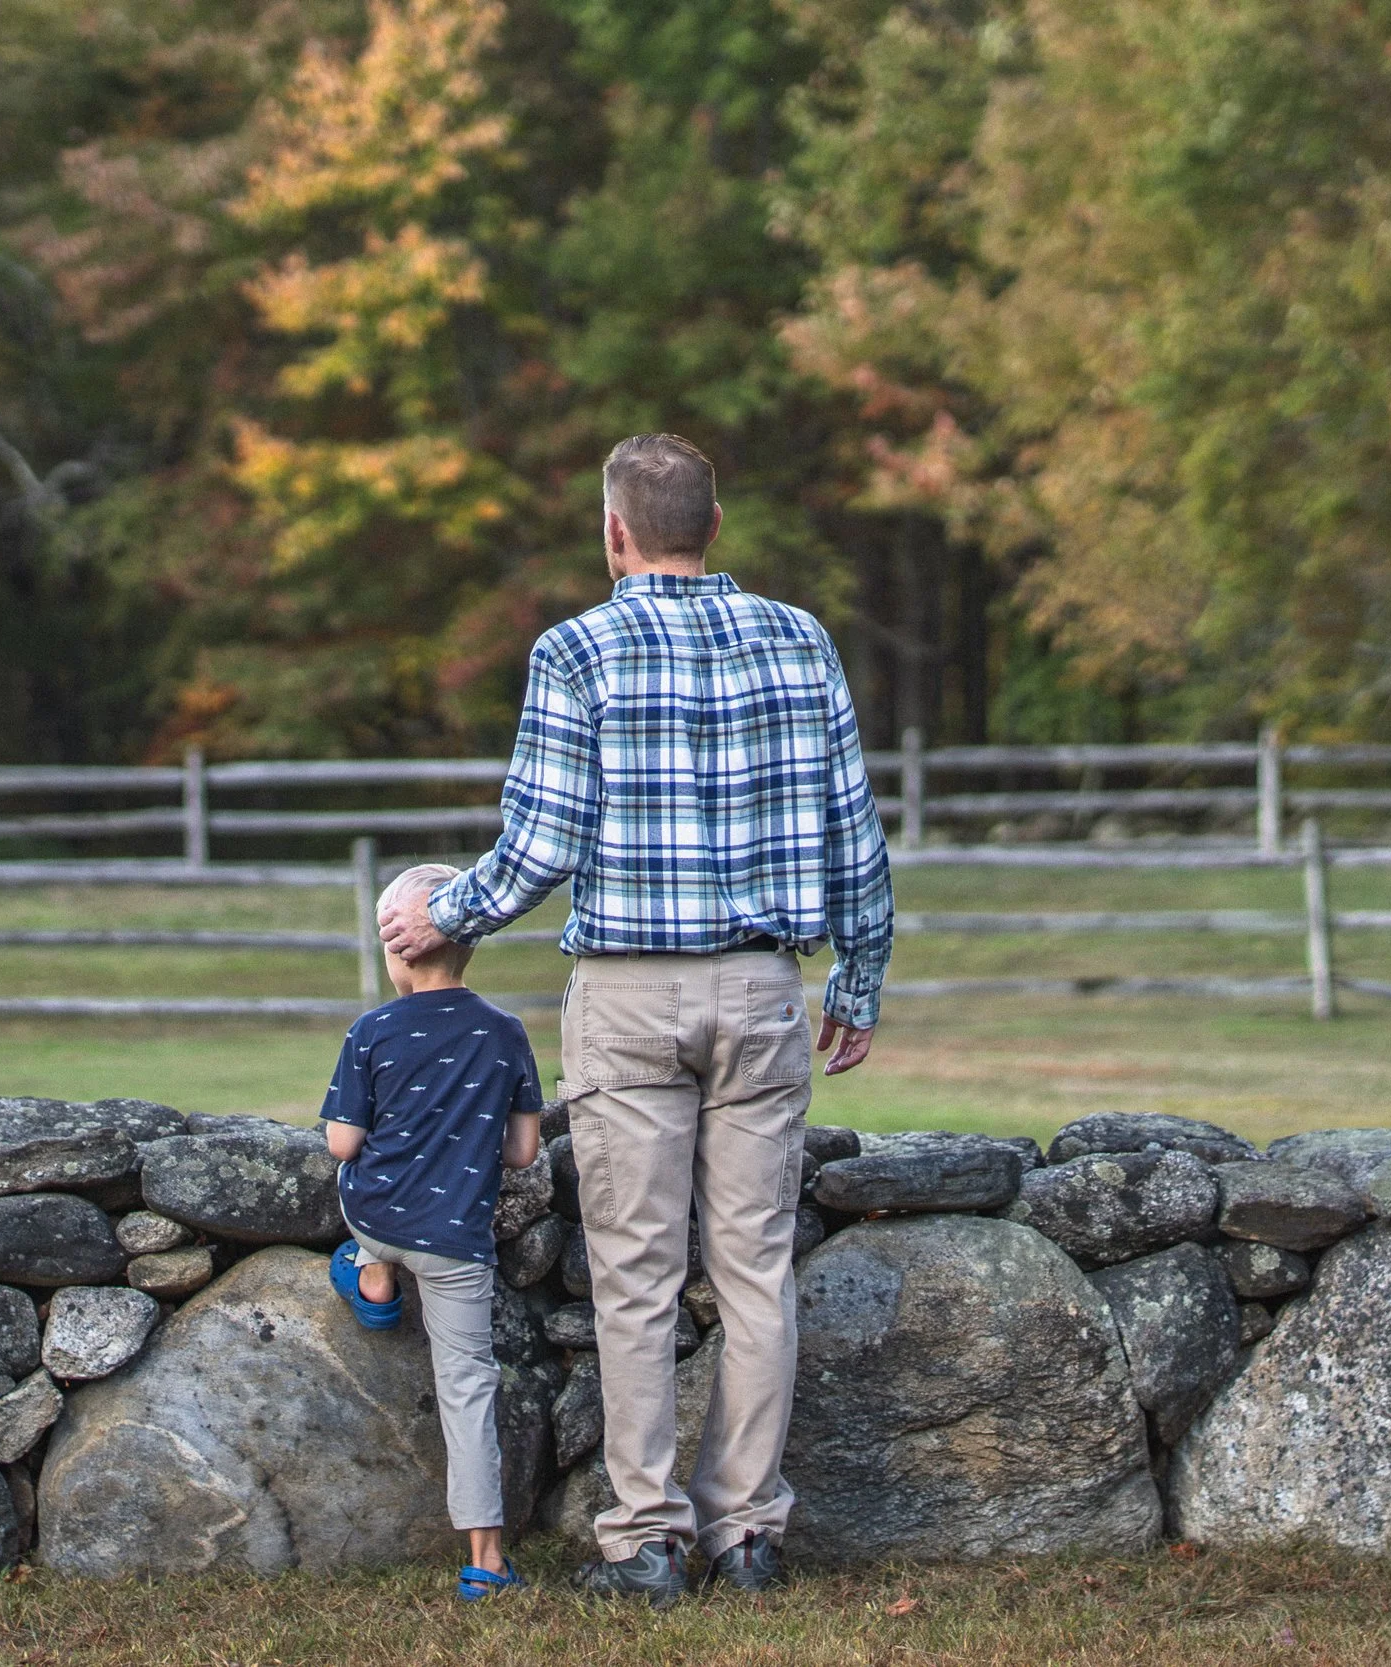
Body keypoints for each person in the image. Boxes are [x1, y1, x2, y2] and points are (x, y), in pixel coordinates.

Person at [379, 433, 893, 1607]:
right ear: (713, 526)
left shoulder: (577, 649)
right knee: (756, 1267)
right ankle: (748, 1534)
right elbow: (851, 824)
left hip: (626, 990)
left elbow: (544, 839)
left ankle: (646, 1534)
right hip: (763, 986)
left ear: (616, 531)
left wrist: (443, 915)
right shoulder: (798, 637)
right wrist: (858, 975)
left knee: (636, 1273)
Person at [321, 861, 544, 1603]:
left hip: (379, 1214)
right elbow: (521, 1152)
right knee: (468, 1388)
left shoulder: (372, 1029)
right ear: (470, 945)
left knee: (366, 1229)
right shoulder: (504, 1032)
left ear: (397, 952)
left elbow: (342, 1146)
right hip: (456, 1242)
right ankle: (484, 1560)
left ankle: (374, 1277)